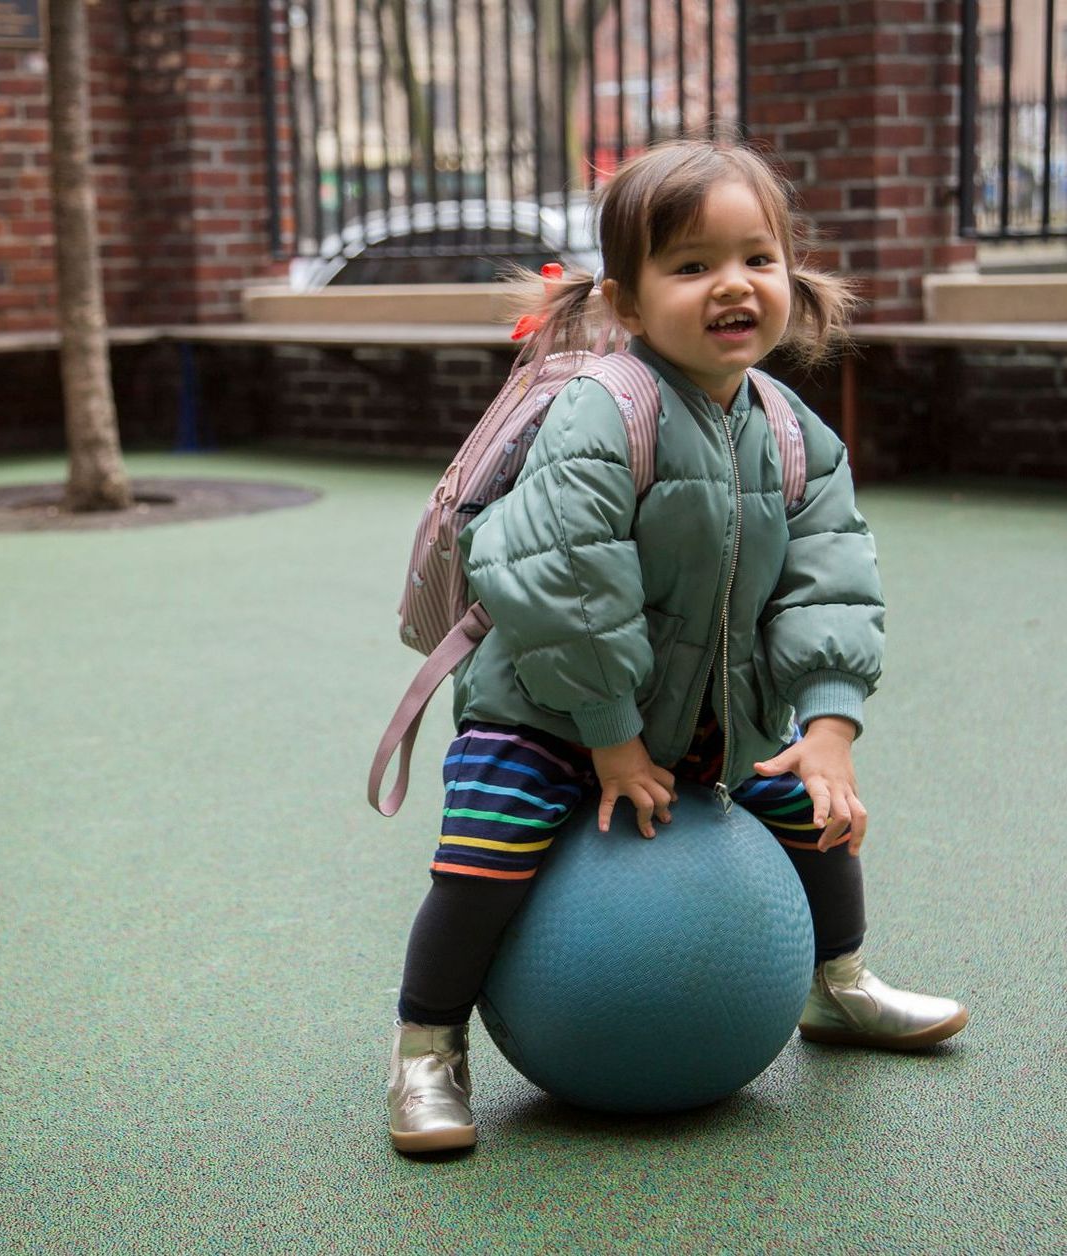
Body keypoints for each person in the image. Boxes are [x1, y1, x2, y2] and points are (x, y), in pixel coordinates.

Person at [387, 139, 968, 1156]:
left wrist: (827, 724)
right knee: (482, 857)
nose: (731, 284)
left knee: (813, 811)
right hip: (548, 705)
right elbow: (564, 581)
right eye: (691, 265)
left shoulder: (789, 429)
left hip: (706, 712)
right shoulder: (602, 410)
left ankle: (835, 983)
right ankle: (427, 1046)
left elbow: (831, 573)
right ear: (626, 297)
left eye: (756, 257)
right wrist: (609, 736)